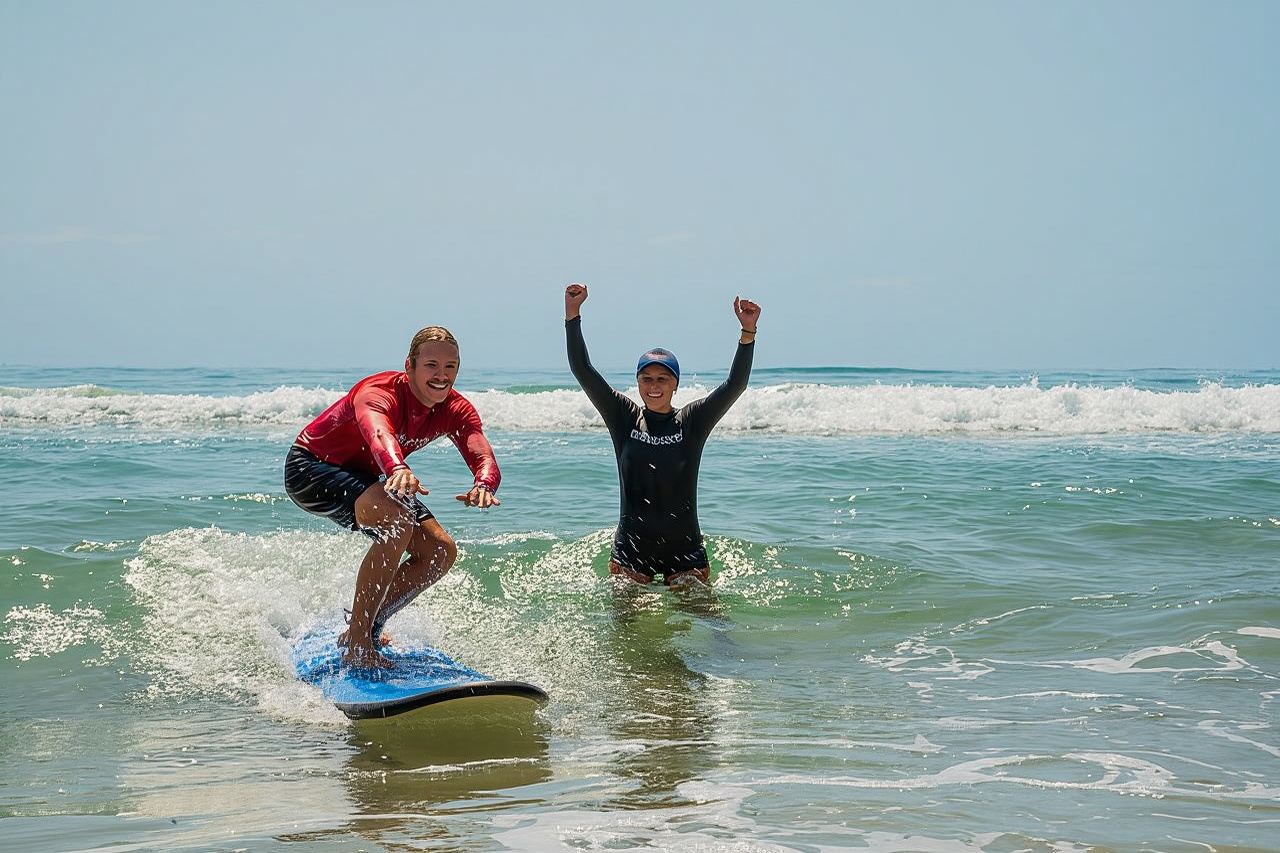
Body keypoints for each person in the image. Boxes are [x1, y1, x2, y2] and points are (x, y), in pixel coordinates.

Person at [284, 326, 500, 669]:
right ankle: (357, 646)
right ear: (409, 366)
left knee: (439, 551)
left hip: (369, 475)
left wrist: (484, 483)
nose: (441, 376)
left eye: (450, 366)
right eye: (431, 365)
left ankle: (367, 627)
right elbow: (377, 432)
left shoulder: (456, 409)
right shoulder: (378, 393)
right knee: (396, 520)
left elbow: (480, 450)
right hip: (311, 467)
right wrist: (397, 467)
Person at [564, 282, 759, 586]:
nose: (654, 386)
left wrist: (747, 333)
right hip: (632, 551)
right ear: (638, 382)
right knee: (626, 617)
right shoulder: (624, 416)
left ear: (675, 384)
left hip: (685, 551)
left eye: (663, 379)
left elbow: (735, 385)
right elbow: (582, 369)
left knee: (705, 614)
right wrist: (572, 313)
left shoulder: (691, 421)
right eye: (646, 378)